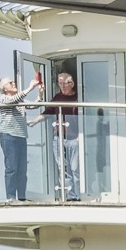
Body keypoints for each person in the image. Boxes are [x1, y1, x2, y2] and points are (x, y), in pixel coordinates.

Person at [0, 73, 42, 202]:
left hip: (21, 136)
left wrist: (40, 95)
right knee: (11, 167)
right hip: (8, 135)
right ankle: (10, 197)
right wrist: (30, 88)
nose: (14, 83)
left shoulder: (20, 100)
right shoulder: (3, 98)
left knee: (22, 169)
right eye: (10, 83)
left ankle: (22, 197)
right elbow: (13, 100)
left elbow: (33, 105)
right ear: (4, 88)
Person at [48, 69, 83, 201]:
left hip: (74, 138)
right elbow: (48, 111)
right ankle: (69, 196)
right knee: (63, 168)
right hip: (59, 137)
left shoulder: (78, 98)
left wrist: (81, 135)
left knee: (75, 168)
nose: (62, 86)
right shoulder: (57, 98)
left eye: (64, 83)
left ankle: (78, 195)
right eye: (59, 83)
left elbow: (85, 117)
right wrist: (34, 120)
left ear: (72, 84)